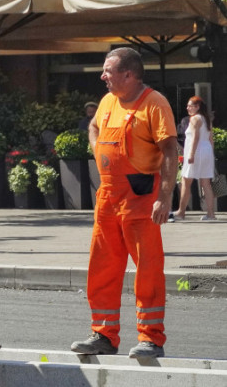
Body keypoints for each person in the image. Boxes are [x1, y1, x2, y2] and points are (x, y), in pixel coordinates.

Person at [71, 47, 177, 360]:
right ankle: (103, 334)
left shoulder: (154, 103)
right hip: (108, 197)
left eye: (108, 71)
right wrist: (99, 152)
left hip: (142, 196)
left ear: (128, 75)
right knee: (102, 267)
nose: (102, 76)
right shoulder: (107, 102)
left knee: (147, 270)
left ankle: (150, 338)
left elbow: (170, 151)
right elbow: (94, 128)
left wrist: (165, 196)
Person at [173, 96, 217, 221]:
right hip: (206, 150)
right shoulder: (206, 119)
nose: (187, 108)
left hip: (196, 151)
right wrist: (211, 154)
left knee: (186, 181)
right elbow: (210, 139)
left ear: (197, 107)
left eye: (190, 105)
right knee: (206, 183)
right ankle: (211, 213)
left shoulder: (194, 119)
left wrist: (191, 154)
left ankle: (181, 212)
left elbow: (195, 138)